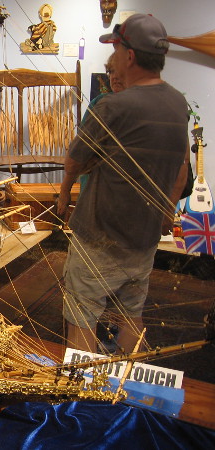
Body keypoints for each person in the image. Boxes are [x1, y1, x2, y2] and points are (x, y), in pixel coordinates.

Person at [57, 14, 190, 354]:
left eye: (115, 50)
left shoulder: (113, 106)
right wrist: (167, 212)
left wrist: (64, 193)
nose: (113, 58)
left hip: (99, 235)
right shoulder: (178, 103)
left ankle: (81, 387)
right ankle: (124, 381)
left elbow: (75, 159)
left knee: (82, 318)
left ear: (129, 56)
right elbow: (181, 167)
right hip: (144, 239)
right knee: (131, 315)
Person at [79, 53, 125, 191]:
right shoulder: (99, 102)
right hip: (97, 174)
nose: (114, 77)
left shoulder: (141, 105)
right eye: (111, 72)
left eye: (120, 72)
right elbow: (83, 142)